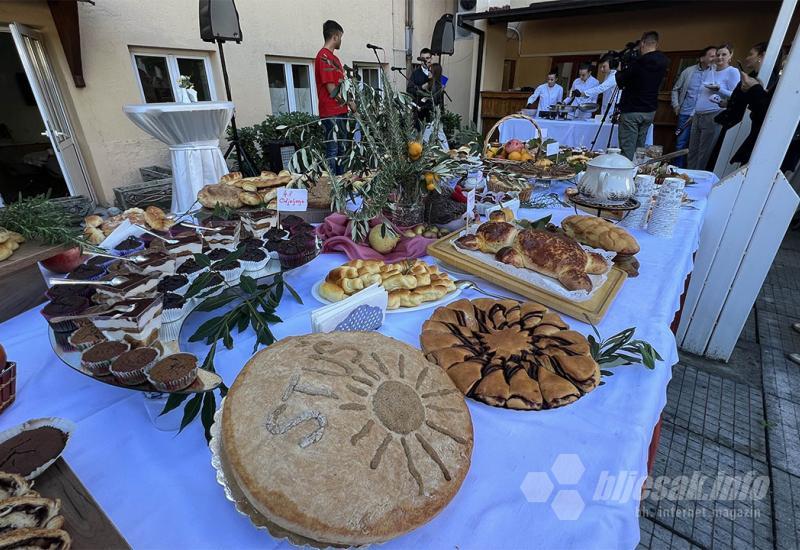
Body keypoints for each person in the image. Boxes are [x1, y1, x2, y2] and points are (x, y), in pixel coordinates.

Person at [614, 31, 670, 160]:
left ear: (643, 43)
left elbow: (622, 82)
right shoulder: (663, 62)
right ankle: (638, 172)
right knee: (640, 149)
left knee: (628, 148)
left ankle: (625, 175)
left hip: (632, 109)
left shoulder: (639, 62)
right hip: (650, 110)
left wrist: (619, 71)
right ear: (656, 44)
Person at [687, 43, 741, 170]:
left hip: (713, 114)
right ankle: (687, 176)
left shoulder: (732, 71)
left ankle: (699, 179)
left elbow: (736, 95)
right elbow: (701, 93)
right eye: (718, 55)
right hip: (698, 115)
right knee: (692, 151)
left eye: (724, 54)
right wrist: (693, 112)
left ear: (730, 56)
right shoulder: (710, 70)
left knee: (704, 153)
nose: (720, 57)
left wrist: (719, 89)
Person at [671, 46, 717, 167]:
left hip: (704, 114)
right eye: (712, 56)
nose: (715, 58)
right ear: (702, 58)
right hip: (685, 112)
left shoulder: (715, 72)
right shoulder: (688, 71)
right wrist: (676, 105)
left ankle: (692, 171)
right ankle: (677, 170)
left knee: (698, 145)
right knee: (681, 143)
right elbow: (676, 89)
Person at [314, 20, 349, 175]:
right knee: (333, 149)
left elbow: (341, 86)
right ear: (335, 36)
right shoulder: (323, 57)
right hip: (331, 112)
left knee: (342, 148)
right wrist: (349, 103)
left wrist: (350, 102)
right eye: (340, 37)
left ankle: (343, 183)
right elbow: (331, 89)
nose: (341, 40)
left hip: (341, 111)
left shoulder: (335, 60)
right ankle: (332, 185)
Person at [582, 54, 621, 120]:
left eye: (604, 66)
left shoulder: (614, 76)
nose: (601, 69)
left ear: (611, 65)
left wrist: (584, 93)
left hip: (612, 109)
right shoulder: (608, 75)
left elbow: (602, 88)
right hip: (606, 107)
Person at [407, 48, 434, 125]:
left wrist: (433, 79)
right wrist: (421, 87)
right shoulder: (415, 73)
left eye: (427, 58)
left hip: (433, 111)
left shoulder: (435, 70)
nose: (425, 61)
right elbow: (409, 90)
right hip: (420, 113)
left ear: (431, 59)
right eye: (423, 59)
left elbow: (442, 85)